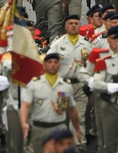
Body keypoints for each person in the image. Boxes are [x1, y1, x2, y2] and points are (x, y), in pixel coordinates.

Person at [19, 53, 81, 153]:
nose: (53, 64)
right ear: (44, 65)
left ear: (59, 66)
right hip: (39, 128)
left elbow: (72, 109)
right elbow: (25, 106)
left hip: (59, 127)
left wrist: (77, 129)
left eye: (56, 62)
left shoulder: (65, 85)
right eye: (50, 62)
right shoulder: (34, 85)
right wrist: (23, 123)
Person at [46, 15, 92, 145]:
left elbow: (92, 65)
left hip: (80, 87)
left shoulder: (87, 44)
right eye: (70, 23)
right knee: (62, 117)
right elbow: (48, 61)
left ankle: (79, 144)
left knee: (79, 117)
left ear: (80, 26)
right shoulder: (58, 44)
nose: (73, 25)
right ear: (66, 26)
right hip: (63, 87)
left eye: (76, 23)